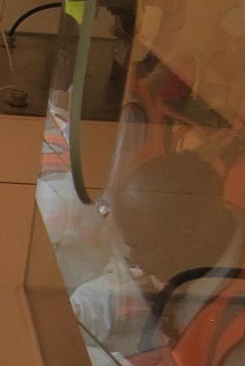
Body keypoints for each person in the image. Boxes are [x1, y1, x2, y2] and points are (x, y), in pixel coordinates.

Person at [69, 152, 245, 364]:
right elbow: (125, 283)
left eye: (142, 249)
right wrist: (76, 311)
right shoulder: (187, 249)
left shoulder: (236, 324)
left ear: (190, 237)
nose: (134, 258)